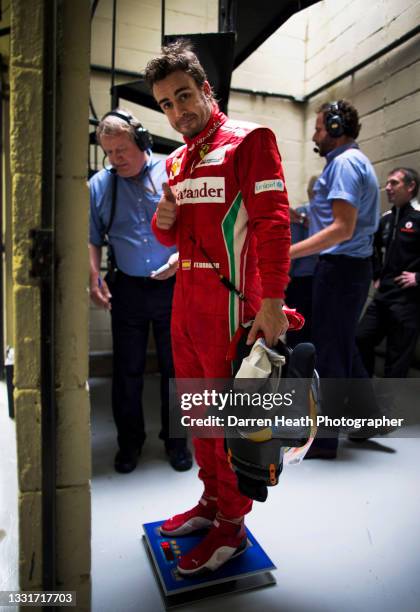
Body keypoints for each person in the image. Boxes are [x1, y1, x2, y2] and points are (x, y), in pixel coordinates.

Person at [144, 40, 290, 575]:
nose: (178, 111)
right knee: (197, 416)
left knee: (233, 422)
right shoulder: (176, 160)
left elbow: (274, 227)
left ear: (206, 89)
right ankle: (210, 503)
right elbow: (172, 240)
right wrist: (164, 217)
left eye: (184, 96)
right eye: (166, 103)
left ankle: (233, 524)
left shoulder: (249, 141)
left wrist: (272, 304)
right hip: (186, 304)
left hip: (235, 307)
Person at [89, 109, 192, 474]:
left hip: (173, 287)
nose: (116, 160)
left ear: (142, 142)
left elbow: (195, 225)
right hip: (128, 290)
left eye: (122, 151)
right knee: (127, 371)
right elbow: (92, 238)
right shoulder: (100, 185)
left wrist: (183, 257)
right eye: (109, 153)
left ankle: (177, 443)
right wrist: (93, 278)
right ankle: (129, 443)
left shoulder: (171, 172)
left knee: (176, 369)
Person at [289, 100, 380, 459]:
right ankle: (368, 417)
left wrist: (289, 254)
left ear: (338, 128)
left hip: (341, 268)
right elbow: (326, 213)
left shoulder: (344, 164)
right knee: (340, 346)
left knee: (329, 353)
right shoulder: (348, 163)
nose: (315, 134)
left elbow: (342, 228)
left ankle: (323, 441)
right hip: (347, 269)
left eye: (319, 128)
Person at [354, 167, 420, 378]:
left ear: (411, 187)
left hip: (407, 301)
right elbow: (372, 247)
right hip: (383, 296)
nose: (388, 188)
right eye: (388, 183)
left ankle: (389, 408)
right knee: (361, 337)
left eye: (394, 183)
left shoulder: (418, 218)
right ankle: (367, 393)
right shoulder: (387, 219)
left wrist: (418, 277)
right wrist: (376, 274)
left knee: (396, 358)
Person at [286, 176, 319, 347]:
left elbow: (293, 250)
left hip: (300, 282)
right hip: (321, 278)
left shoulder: (302, 212)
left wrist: (284, 279)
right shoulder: (331, 215)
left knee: (297, 330)